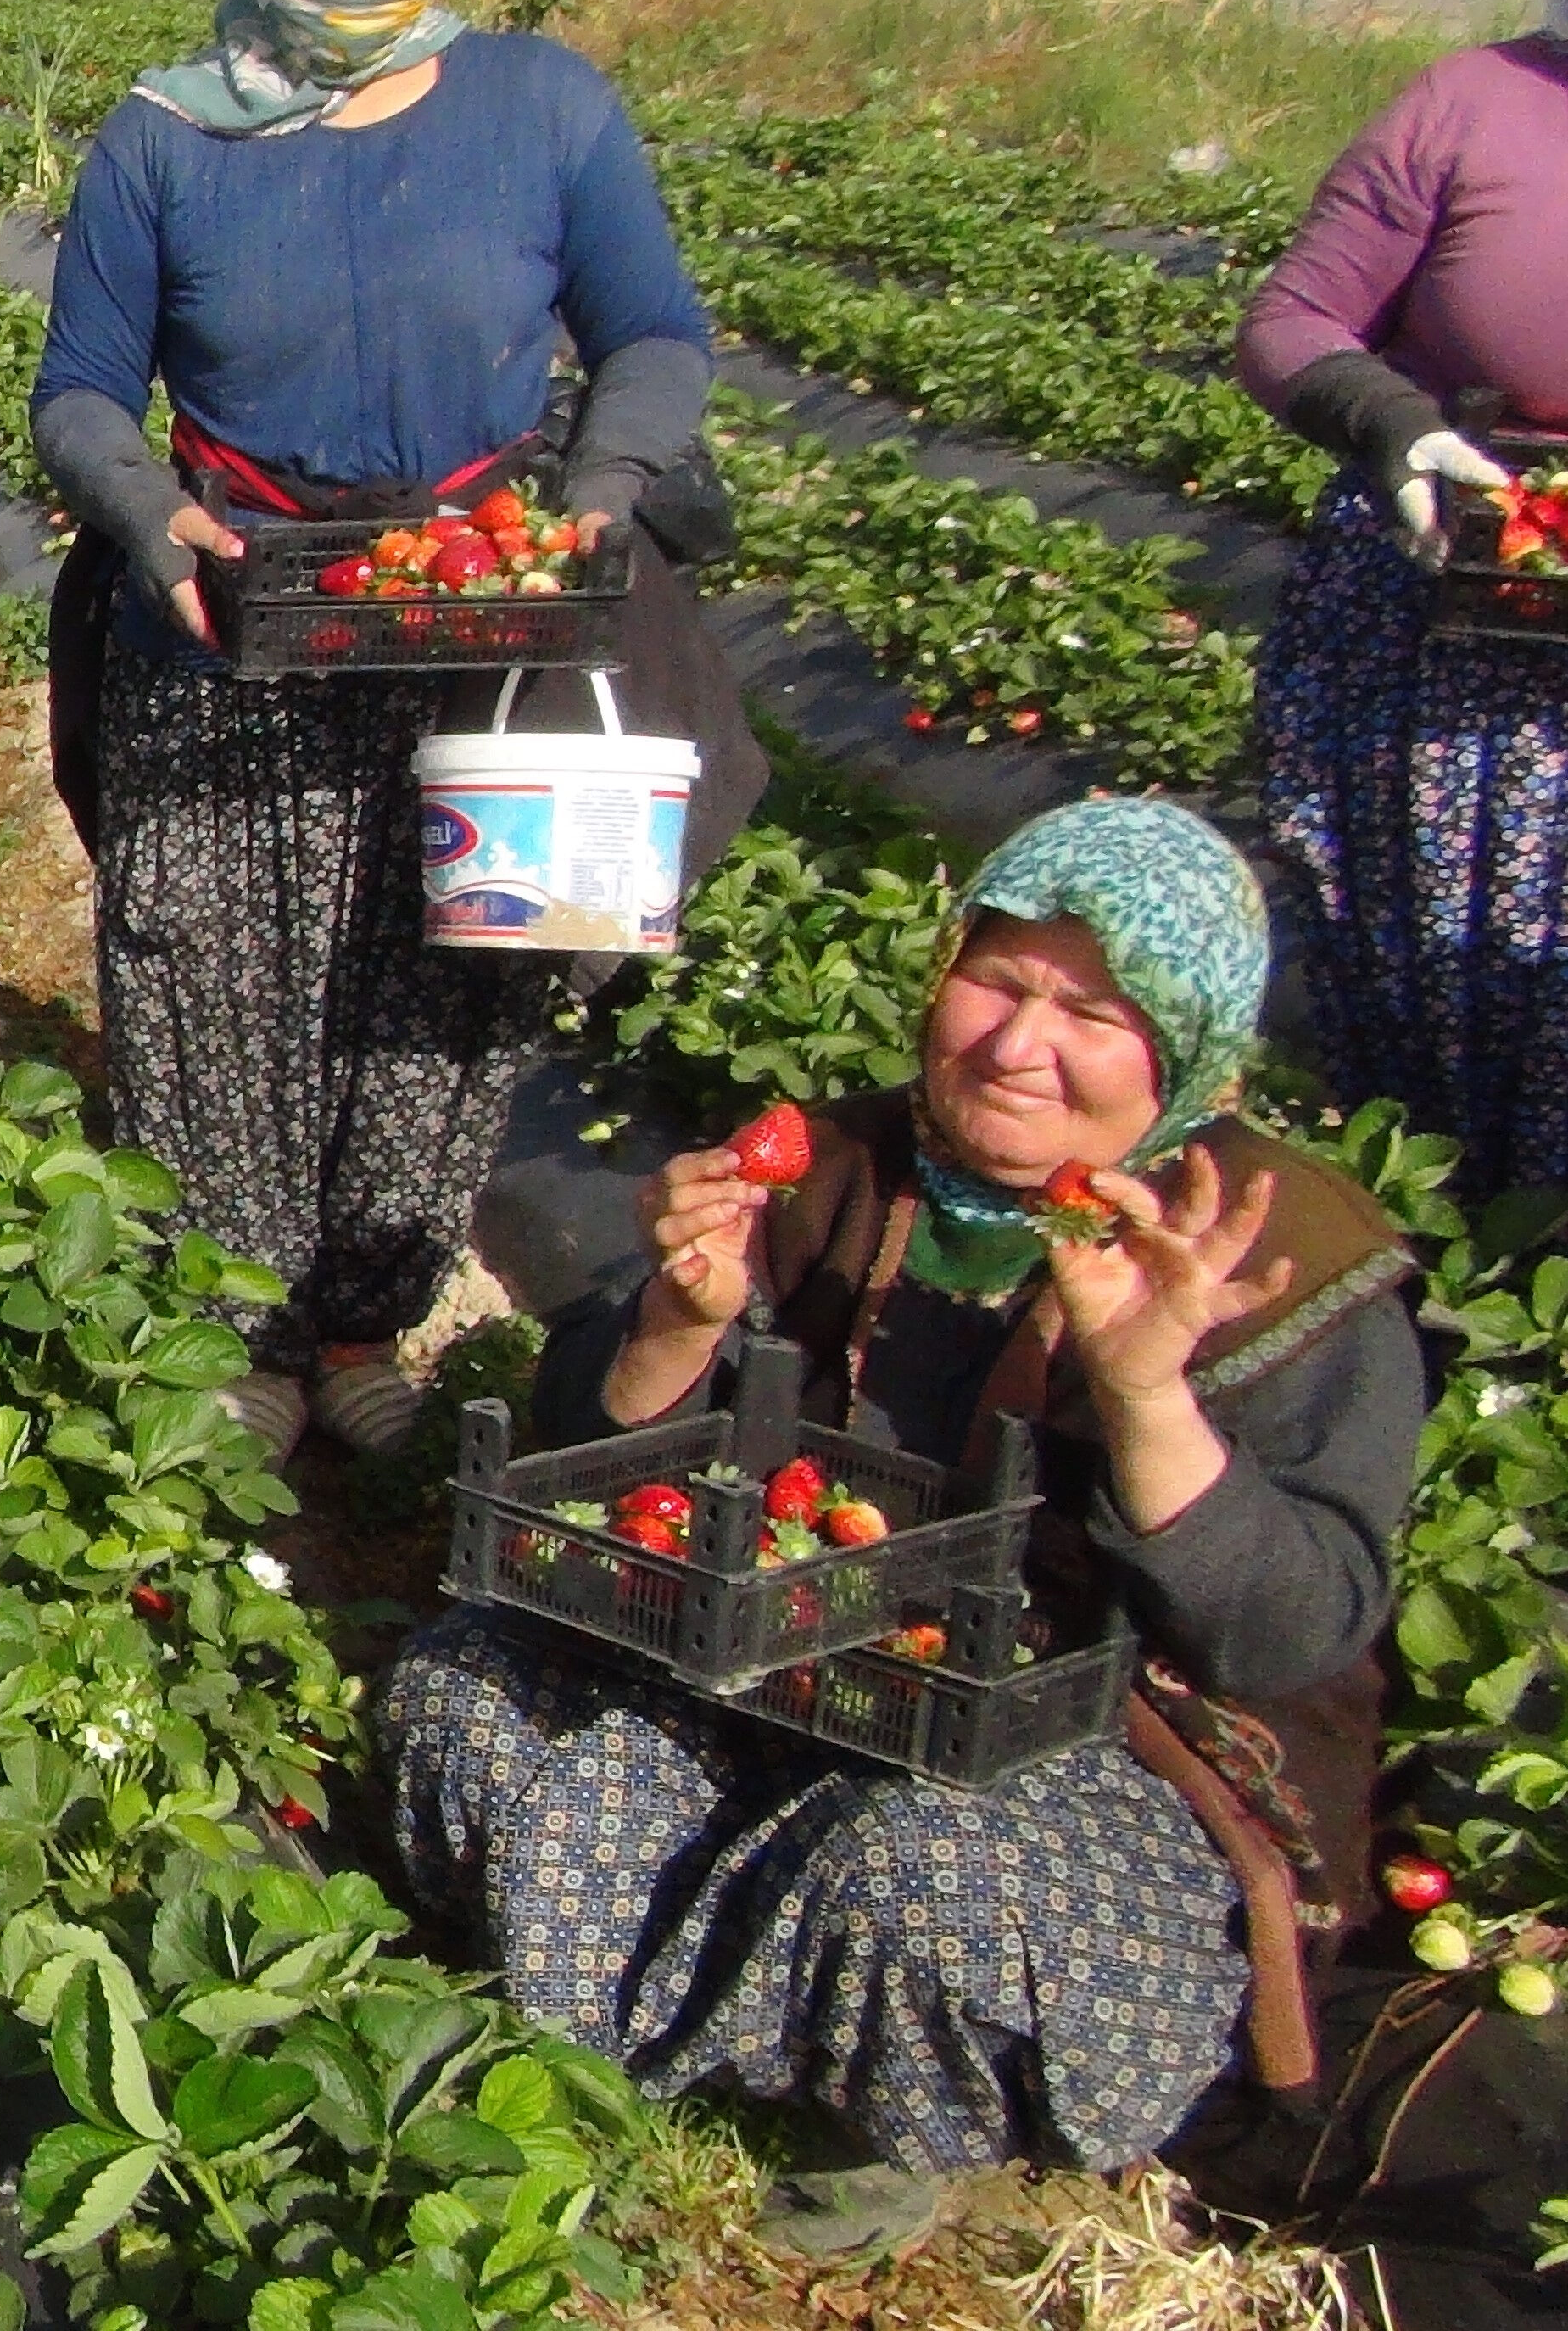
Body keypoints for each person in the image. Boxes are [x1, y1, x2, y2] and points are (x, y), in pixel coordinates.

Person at [387, 797, 1422, 2259]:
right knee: (469, 1687)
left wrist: (1142, 1393)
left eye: (1093, 1010)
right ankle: (611, 2048)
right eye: (995, 977)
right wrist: (676, 1324)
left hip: (1074, 1754)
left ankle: (873, 2118)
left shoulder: (1275, 1258)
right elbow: (596, 1457)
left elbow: (1285, 1630)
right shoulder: (839, 1162)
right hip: (785, 1668)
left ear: (1187, 1049)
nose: (1014, 1044)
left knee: (923, 1872)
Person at [28, 0, 744, 1462]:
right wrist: (149, 516)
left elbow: (652, 334)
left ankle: (359, 1323)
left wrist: (592, 496)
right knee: (209, 974)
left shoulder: (540, 109)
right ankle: (237, 1331)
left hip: (473, 617)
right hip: (236, 617)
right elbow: (75, 393)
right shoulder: (164, 137)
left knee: (439, 983)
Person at [1230, 0, 1568, 1195]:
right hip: (1450, 582)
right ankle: (1444, 1244)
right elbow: (1290, 321)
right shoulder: (1470, 105)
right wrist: (1391, 426)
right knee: (1434, 967)